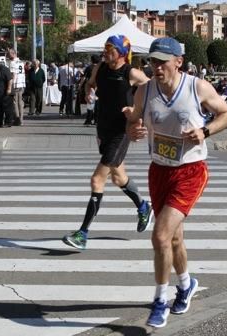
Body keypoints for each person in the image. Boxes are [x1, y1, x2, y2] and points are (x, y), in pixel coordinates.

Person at [123, 37, 227, 328]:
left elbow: (226, 114)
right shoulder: (144, 92)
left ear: (178, 62)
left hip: (190, 171)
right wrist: (132, 127)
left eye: (162, 62)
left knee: (159, 236)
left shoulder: (197, 87)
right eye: (152, 62)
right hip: (159, 170)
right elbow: (133, 121)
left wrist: (205, 131)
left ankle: (160, 301)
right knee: (173, 239)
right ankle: (186, 285)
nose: (156, 67)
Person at [61, 34, 151, 250]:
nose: (106, 51)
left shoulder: (131, 73)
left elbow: (152, 92)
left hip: (122, 131)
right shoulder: (99, 68)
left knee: (96, 180)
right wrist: (89, 93)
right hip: (103, 128)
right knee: (119, 178)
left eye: (110, 48)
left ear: (121, 53)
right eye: (105, 47)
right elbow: (89, 85)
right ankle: (143, 206)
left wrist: (138, 113)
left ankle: (82, 234)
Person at [5, 48, 26, 126]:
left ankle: (17, 120)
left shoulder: (13, 63)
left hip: (16, 84)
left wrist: (10, 85)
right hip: (21, 84)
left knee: (15, 103)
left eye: (9, 54)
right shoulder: (21, 62)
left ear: (13, 54)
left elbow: (13, 75)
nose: (8, 56)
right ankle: (21, 119)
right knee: (20, 102)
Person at [82, 54, 101, 125]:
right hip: (99, 87)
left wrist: (80, 86)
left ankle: (88, 120)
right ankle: (96, 120)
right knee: (97, 105)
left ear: (91, 60)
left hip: (90, 87)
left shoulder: (89, 67)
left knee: (90, 104)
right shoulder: (100, 68)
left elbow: (84, 78)